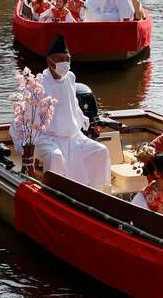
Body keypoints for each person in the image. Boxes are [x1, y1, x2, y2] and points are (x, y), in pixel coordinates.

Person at [11, 34, 111, 188]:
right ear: (49, 61)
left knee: (100, 151)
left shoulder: (70, 77)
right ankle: (53, 192)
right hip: (46, 138)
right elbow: (24, 116)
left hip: (72, 137)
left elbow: (73, 104)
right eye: (59, 58)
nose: (64, 63)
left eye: (67, 58)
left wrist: (84, 120)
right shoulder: (38, 84)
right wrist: (23, 142)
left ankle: (96, 191)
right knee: (55, 156)